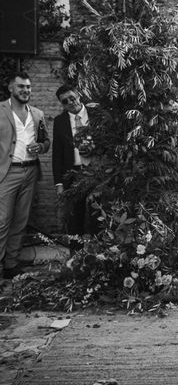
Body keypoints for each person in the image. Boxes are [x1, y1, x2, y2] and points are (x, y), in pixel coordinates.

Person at [0, 72, 50, 279]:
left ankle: (11, 264)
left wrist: (41, 146)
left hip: (30, 171)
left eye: (28, 87)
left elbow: (46, 142)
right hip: (7, 172)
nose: (25, 90)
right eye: (21, 86)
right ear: (11, 88)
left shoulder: (37, 114)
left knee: (21, 220)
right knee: (2, 220)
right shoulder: (0, 110)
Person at [52, 84, 96, 247]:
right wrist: (59, 183)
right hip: (72, 174)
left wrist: (95, 148)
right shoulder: (60, 121)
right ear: (62, 104)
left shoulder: (96, 114)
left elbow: (110, 142)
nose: (71, 102)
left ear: (79, 95)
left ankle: (99, 255)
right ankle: (76, 258)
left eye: (72, 97)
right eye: (65, 101)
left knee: (97, 215)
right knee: (73, 218)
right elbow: (57, 154)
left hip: (96, 172)